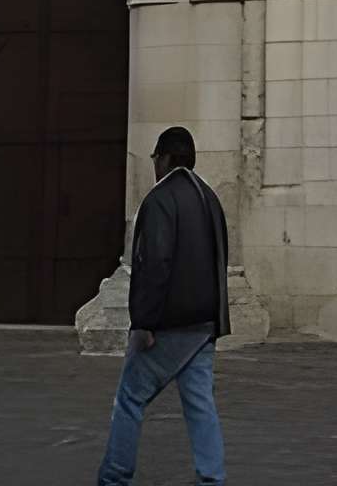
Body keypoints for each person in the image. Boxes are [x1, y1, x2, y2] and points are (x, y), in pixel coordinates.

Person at [98, 127, 231, 486]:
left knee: (129, 398)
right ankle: (212, 476)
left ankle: (115, 477)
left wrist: (143, 323)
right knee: (200, 403)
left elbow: (154, 263)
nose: (154, 165)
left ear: (165, 158)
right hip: (206, 324)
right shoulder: (210, 198)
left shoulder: (160, 200)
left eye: (156, 158)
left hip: (170, 324)